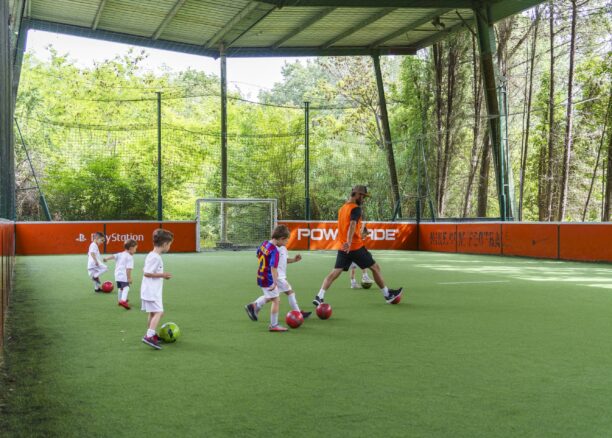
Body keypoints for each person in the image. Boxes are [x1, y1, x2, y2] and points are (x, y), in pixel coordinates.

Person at [313, 185, 403, 305]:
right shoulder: (355, 209)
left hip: (343, 247)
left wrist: (346, 242)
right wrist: (350, 242)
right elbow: (352, 224)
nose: (363, 199)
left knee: (335, 272)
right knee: (375, 267)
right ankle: (387, 295)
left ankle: (319, 296)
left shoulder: (342, 208)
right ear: (356, 194)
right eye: (362, 196)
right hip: (355, 246)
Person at [245, 225, 303, 332]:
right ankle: (273, 325)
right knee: (276, 300)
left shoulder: (264, 243)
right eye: (286, 241)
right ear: (281, 239)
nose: (286, 243)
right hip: (268, 278)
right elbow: (273, 268)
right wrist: (275, 282)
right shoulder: (275, 251)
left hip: (260, 275)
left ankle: (254, 306)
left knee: (272, 297)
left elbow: (258, 254)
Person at [141, 229, 174, 350]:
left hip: (150, 290)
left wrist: (161, 275)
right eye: (170, 244)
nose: (169, 247)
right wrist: (162, 275)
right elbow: (147, 273)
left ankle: (152, 333)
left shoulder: (151, 255)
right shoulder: (156, 258)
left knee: (153, 312)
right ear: (165, 244)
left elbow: (145, 271)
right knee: (159, 312)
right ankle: (149, 336)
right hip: (152, 291)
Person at [103, 239, 138, 310]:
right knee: (126, 288)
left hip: (117, 275)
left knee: (120, 288)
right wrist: (129, 278)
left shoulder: (120, 254)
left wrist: (106, 258)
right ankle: (123, 301)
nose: (135, 251)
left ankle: (120, 300)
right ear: (131, 248)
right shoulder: (130, 257)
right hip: (123, 275)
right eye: (135, 249)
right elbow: (128, 269)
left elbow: (113, 256)